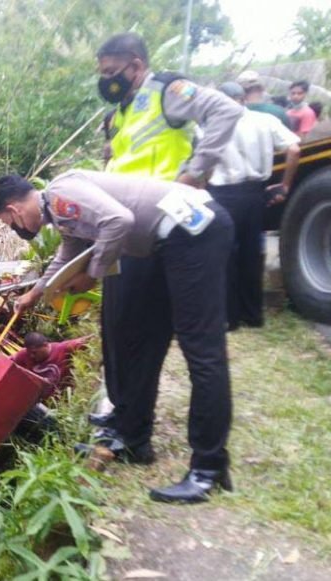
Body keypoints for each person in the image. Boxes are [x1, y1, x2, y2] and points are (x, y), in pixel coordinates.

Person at [0, 171, 234, 503]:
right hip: (168, 240)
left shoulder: (61, 192)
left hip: (194, 232)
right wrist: (35, 294)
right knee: (145, 339)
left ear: (13, 210)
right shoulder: (60, 211)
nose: (16, 229)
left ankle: (209, 469)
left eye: (10, 223)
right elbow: (67, 253)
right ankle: (134, 441)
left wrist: (93, 276)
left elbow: (119, 220)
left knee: (202, 350)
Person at [91, 33, 242, 437]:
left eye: (112, 71)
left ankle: (147, 431)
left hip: (167, 225)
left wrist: (194, 172)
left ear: (136, 66)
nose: (106, 80)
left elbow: (225, 111)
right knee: (121, 329)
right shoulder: (119, 113)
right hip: (129, 229)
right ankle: (127, 417)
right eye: (102, 73)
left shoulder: (168, 91)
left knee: (155, 335)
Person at [210, 82, 301, 330]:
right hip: (254, 194)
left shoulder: (212, 124)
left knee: (226, 256)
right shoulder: (265, 120)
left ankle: (229, 318)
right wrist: (285, 184)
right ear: (243, 98)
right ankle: (252, 315)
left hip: (224, 195)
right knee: (252, 255)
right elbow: (294, 149)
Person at [12, 332, 88, 401]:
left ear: (45, 345)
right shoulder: (24, 355)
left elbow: (87, 341)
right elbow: (7, 363)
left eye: (34, 353)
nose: (32, 356)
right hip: (35, 399)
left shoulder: (63, 349)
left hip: (61, 400)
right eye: (29, 353)